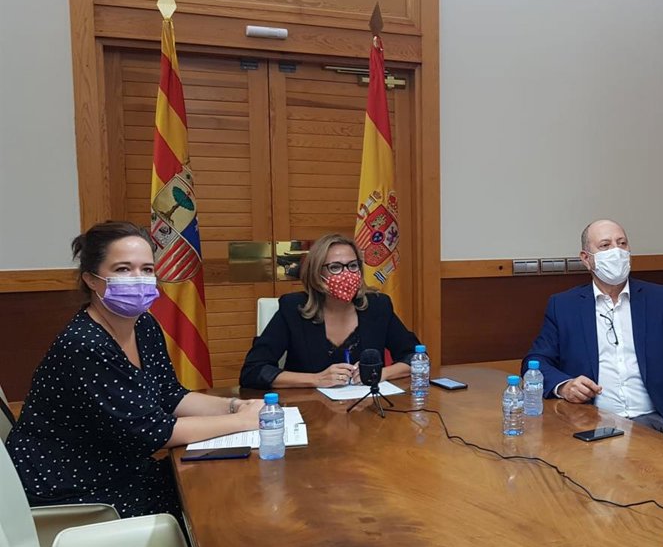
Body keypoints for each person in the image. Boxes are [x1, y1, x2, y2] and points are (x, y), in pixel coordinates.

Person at [6, 221, 266, 519]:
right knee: (213, 504)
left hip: (121, 467)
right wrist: (242, 422)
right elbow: (153, 432)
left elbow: (171, 394)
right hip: (72, 487)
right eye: (123, 269)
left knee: (227, 482)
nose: (138, 279)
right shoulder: (84, 344)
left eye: (147, 269)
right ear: (91, 280)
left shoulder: (144, 324)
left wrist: (234, 406)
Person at [524, 219, 663, 457]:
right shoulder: (564, 306)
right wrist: (565, 386)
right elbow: (534, 363)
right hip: (590, 422)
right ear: (586, 258)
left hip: (653, 422)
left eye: (622, 243)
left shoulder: (662, 300)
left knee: (621, 456)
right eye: (605, 245)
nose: (617, 251)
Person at [240, 233, 420, 389]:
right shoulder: (293, 309)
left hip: (366, 407)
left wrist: (382, 373)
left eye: (353, 266)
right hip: (309, 408)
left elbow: (416, 357)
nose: (347, 274)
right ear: (317, 273)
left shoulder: (378, 306)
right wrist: (316, 379)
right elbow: (253, 371)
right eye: (335, 267)